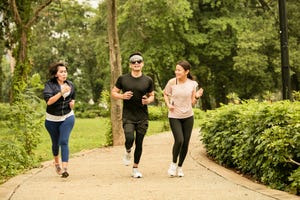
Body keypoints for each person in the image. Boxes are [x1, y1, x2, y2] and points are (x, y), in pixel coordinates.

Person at [111, 52, 155, 178]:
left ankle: (135, 168)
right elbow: (114, 92)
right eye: (133, 62)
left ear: (143, 64)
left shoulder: (148, 80)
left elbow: (152, 95)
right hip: (128, 115)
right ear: (130, 65)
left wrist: (148, 100)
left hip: (142, 116)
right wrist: (122, 96)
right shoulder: (123, 79)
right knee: (129, 138)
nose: (136, 63)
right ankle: (128, 150)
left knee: (139, 143)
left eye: (139, 61)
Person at [163, 60, 203, 177]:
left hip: (188, 117)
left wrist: (196, 96)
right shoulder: (172, 82)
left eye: (179, 70)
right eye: (176, 70)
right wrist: (168, 104)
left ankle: (180, 167)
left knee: (185, 143)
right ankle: (173, 164)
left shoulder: (192, 84)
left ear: (186, 71)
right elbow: (165, 93)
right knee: (179, 140)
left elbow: (193, 102)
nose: (176, 72)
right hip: (174, 116)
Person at [43, 62, 76, 178]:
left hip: (68, 117)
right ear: (56, 74)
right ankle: (57, 163)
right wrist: (61, 92)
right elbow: (49, 101)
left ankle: (65, 168)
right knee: (55, 143)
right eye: (61, 72)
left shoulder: (70, 84)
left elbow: (73, 98)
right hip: (52, 120)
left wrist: (72, 104)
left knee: (64, 141)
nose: (64, 74)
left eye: (65, 71)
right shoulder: (49, 85)